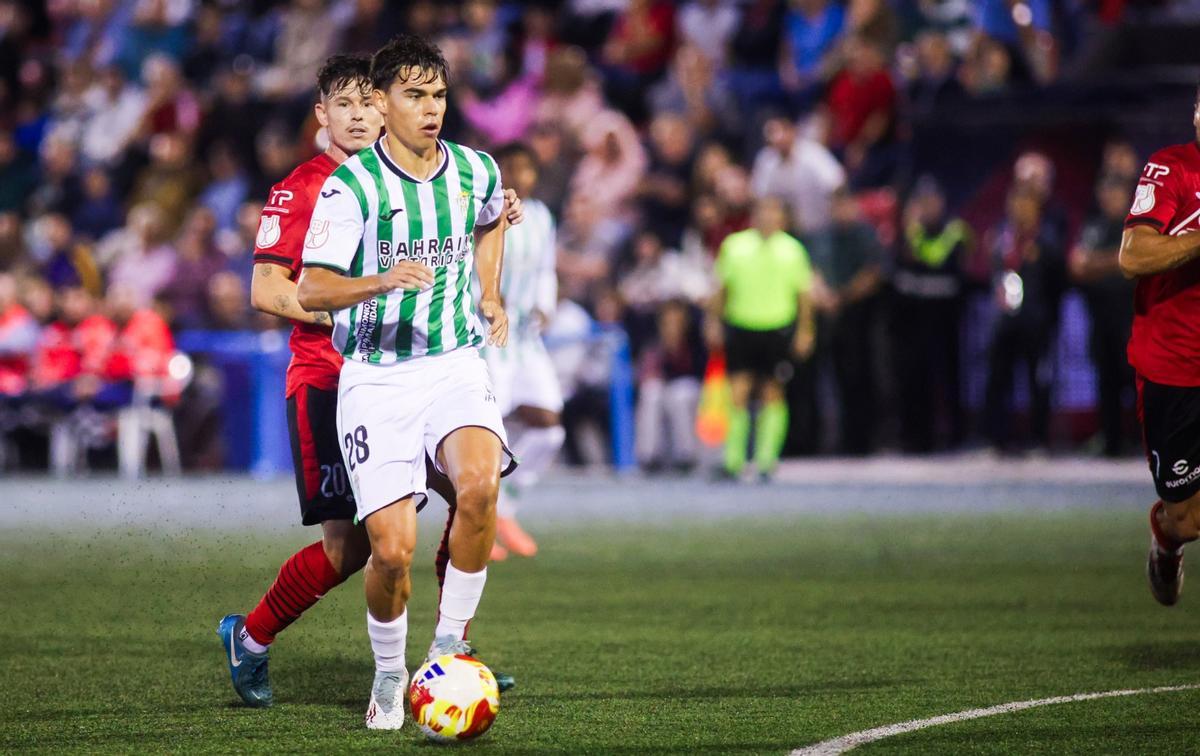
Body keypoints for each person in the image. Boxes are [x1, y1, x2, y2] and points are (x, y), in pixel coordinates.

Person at [214, 53, 524, 710]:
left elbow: (474, 214)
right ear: (322, 114)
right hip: (335, 377)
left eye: (368, 103)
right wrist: (365, 303)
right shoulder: (307, 189)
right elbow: (269, 290)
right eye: (344, 105)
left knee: (472, 489)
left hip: (431, 367)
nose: (359, 116)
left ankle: (452, 651)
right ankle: (253, 635)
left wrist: (482, 220)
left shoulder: (437, 170)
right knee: (350, 550)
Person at [295, 34, 516, 731]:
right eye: (414, 95)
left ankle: (448, 647)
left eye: (439, 95)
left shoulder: (476, 170)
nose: (430, 109)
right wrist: (379, 280)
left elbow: (489, 222)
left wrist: (490, 292)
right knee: (391, 552)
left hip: (453, 363)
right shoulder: (351, 186)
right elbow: (311, 290)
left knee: (480, 489)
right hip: (377, 378)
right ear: (384, 103)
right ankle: (390, 674)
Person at [1117, 88, 1200, 607]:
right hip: (1175, 365)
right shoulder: (1173, 169)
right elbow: (1132, 255)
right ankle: (1167, 537)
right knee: (1189, 518)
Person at [481, 143, 566, 561]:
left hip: (527, 339)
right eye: (510, 167)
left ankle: (504, 506)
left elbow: (546, 268)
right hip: (489, 336)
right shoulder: (483, 214)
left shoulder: (543, 217)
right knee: (486, 431)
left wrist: (546, 306)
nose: (520, 175)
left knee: (550, 427)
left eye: (526, 168)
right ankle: (474, 521)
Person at [709, 196, 815, 482]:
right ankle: (734, 461)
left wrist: (806, 331)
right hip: (742, 326)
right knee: (738, 393)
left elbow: (803, 296)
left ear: (782, 217)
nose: (767, 217)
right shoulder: (735, 246)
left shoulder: (793, 250)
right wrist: (713, 322)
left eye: (773, 212)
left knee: (773, 393)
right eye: (762, 212)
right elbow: (721, 289)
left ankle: (767, 462)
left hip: (778, 328)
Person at [892, 177, 971, 453]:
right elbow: (900, 277)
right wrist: (910, 234)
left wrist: (913, 239)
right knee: (915, 380)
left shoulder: (955, 231)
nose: (927, 207)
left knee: (949, 377)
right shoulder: (908, 233)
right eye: (922, 202)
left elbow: (941, 264)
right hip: (913, 322)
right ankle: (916, 438)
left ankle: (955, 437)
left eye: (932, 201)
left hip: (946, 320)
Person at [1070, 173, 1135, 458]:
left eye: (1115, 193)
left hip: (1134, 319)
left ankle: (1146, 443)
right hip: (1101, 318)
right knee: (1106, 382)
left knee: (1139, 383)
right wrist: (1115, 260)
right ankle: (1111, 443)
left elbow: (1136, 260)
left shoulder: (1137, 225)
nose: (1110, 199)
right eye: (1106, 193)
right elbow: (1078, 266)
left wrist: (1101, 262)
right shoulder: (1093, 226)